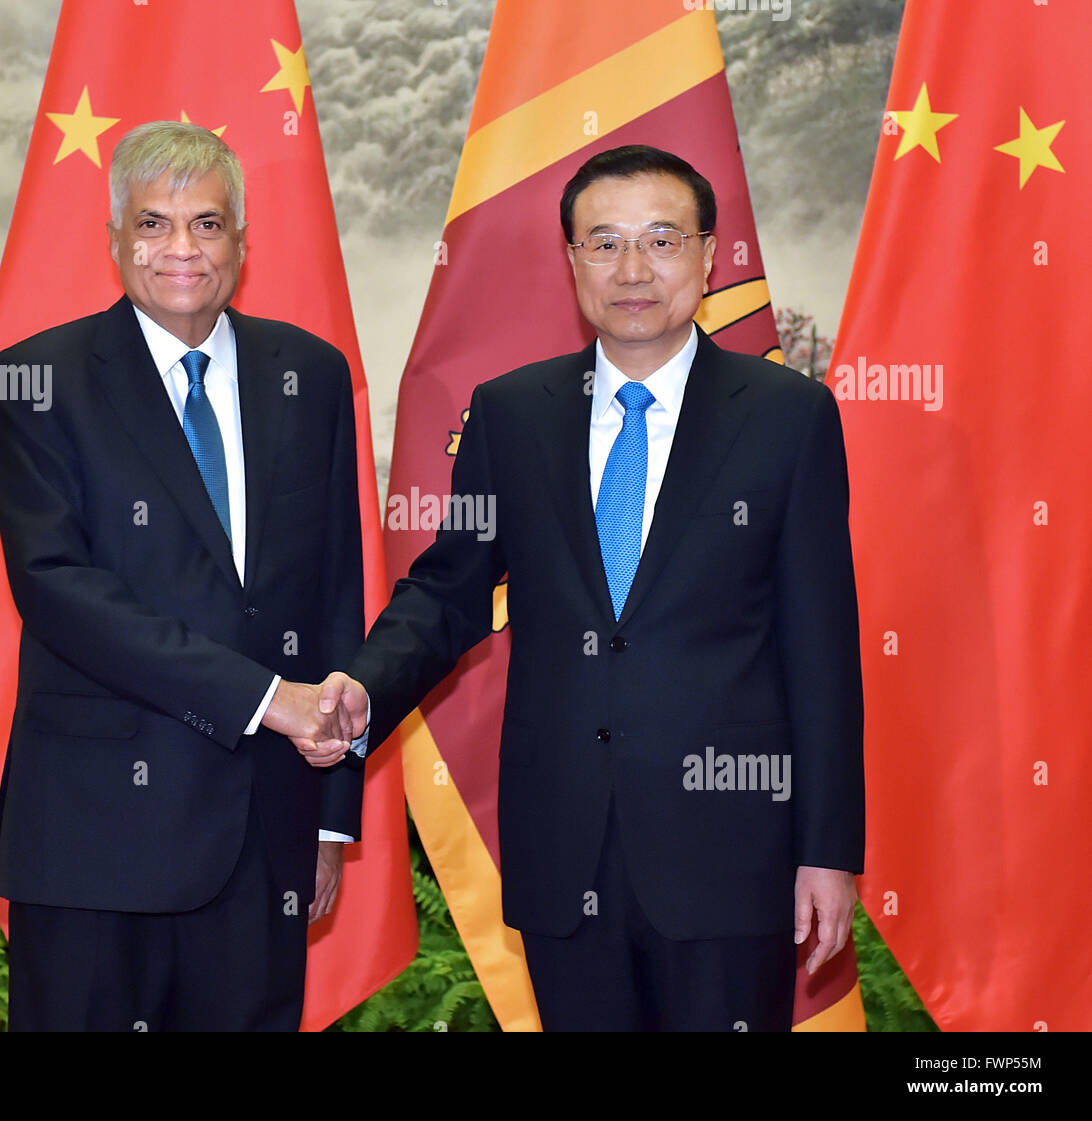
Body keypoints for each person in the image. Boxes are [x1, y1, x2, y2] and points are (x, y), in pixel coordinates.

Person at [314, 145, 865, 1031]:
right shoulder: (511, 412)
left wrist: (829, 850)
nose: (633, 270)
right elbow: (448, 591)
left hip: (729, 854)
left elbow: (823, 649)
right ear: (570, 261)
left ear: (709, 254)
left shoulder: (788, 418)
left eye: (661, 239)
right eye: (604, 243)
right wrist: (360, 689)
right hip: (563, 848)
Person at [0, 121, 365, 1031]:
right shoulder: (40, 378)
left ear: (243, 241)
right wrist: (267, 698)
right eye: (154, 224)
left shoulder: (309, 377)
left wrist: (326, 819)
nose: (182, 249)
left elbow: (334, 598)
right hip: (93, 842)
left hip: (262, 840)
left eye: (208, 223)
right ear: (115, 240)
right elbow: (58, 589)